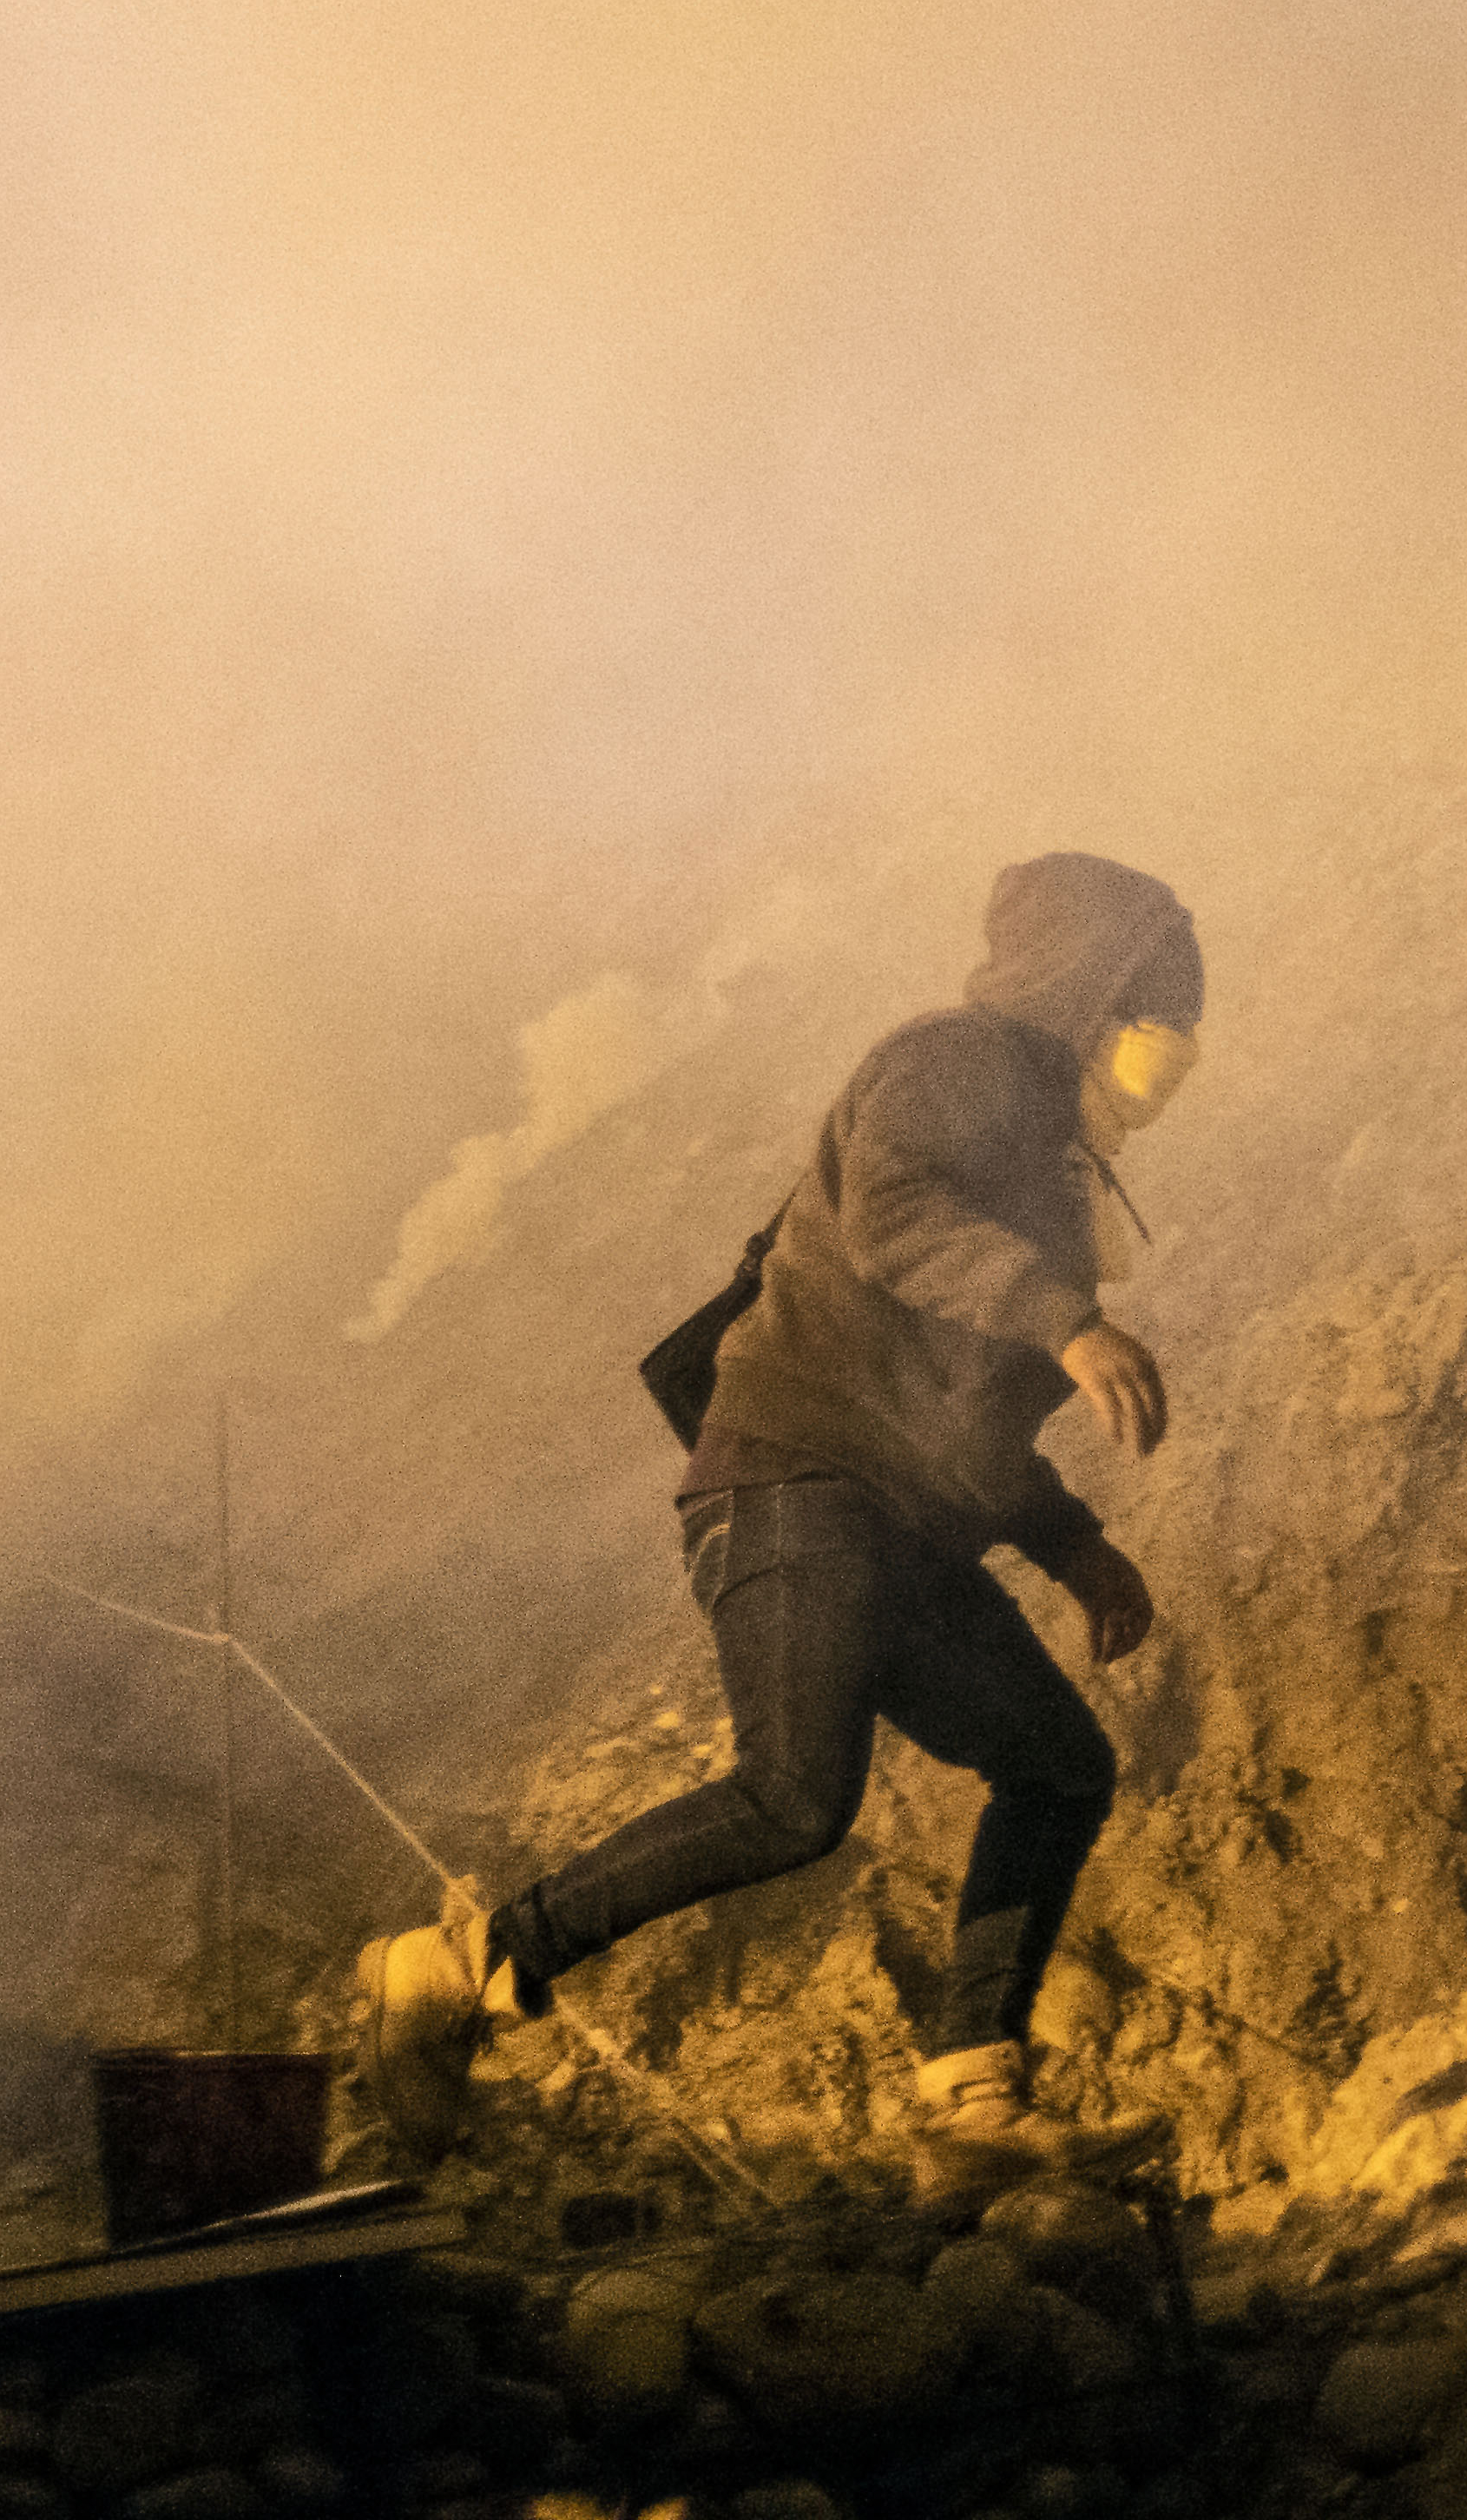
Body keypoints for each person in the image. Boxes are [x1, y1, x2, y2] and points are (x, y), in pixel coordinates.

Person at [357, 850, 1203, 2198]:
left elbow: (963, 1412)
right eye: (1155, 1004)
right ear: (1084, 988)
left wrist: (1073, 1545)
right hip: (797, 1485)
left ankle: (972, 2105)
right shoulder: (951, 1062)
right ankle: (465, 1968)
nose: (1177, 1042)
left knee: (1056, 1766)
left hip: (902, 1520)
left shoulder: (1050, 1166)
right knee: (795, 1797)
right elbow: (895, 1215)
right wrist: (1072, 1318)